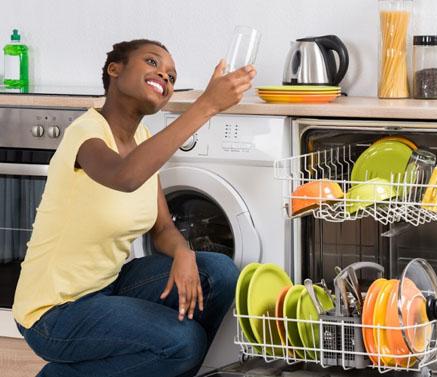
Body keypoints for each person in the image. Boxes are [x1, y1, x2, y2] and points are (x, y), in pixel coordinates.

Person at [12, 39, 256, 377]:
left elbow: (162, 229)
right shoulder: (85, 134)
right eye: (153, 63)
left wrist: (184, 254)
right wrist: (206, 106)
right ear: (115, 69)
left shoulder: (142, 138)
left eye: (172, 76)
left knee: (219, 274)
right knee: (182, 343)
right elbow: (124, 177)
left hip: (108, 285)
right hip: (54, 311)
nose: (164, 77)